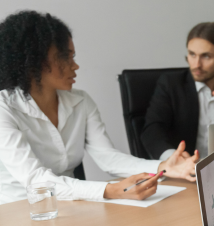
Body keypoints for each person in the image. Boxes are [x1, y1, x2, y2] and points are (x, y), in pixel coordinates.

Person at [0, 11, 198, 205]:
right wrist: (111, 191)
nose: (75, 65)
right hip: (17, 211)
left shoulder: (81, 101)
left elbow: (108, 158)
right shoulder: (4, 108)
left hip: (69, 207)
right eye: (65, 57)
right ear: (34, 62)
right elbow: (36, 180)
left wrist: (163, 167)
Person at [141, 22, 214, 160]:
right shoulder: (171, 85)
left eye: (206, 56)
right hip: (185, 172)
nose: (197, 64)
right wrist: (173, 158)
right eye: (192, 54)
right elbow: (151, 131)